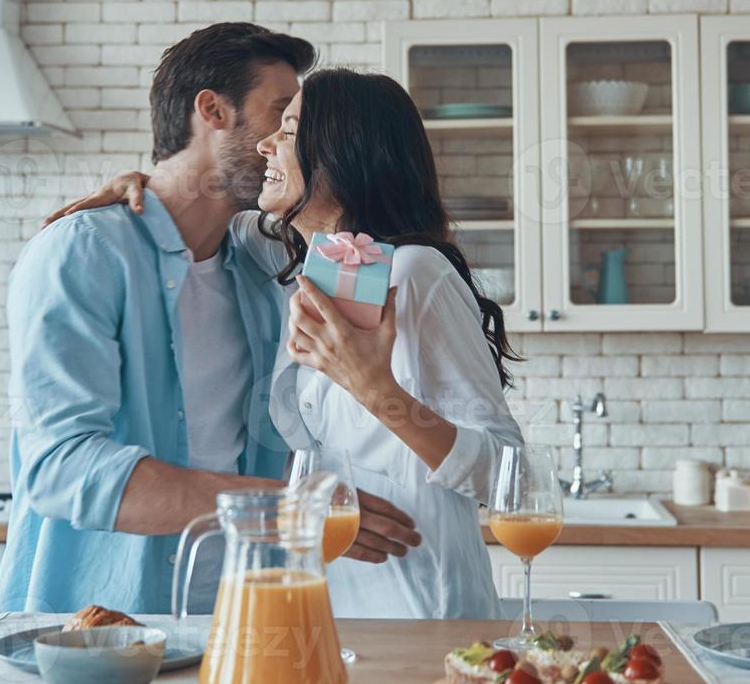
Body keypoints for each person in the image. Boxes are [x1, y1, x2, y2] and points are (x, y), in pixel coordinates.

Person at [48, 68, 525, 619]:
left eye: (290, 129)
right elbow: (197, 217)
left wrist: (376, 390)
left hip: (423, 612)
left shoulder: (416, 275)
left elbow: (507, 477)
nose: (266, 143)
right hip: (332, 610)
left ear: (345, 154)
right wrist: (140, 187)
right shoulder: (304, 261)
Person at [0, 25, 421, 617]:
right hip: (100, 630)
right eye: (281, 115)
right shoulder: (85, 252)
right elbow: (62, 469)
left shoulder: (262, 258)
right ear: (212, 110)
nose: (287, 143)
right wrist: (287, 507)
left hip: (243, 620)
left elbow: (374, 240)